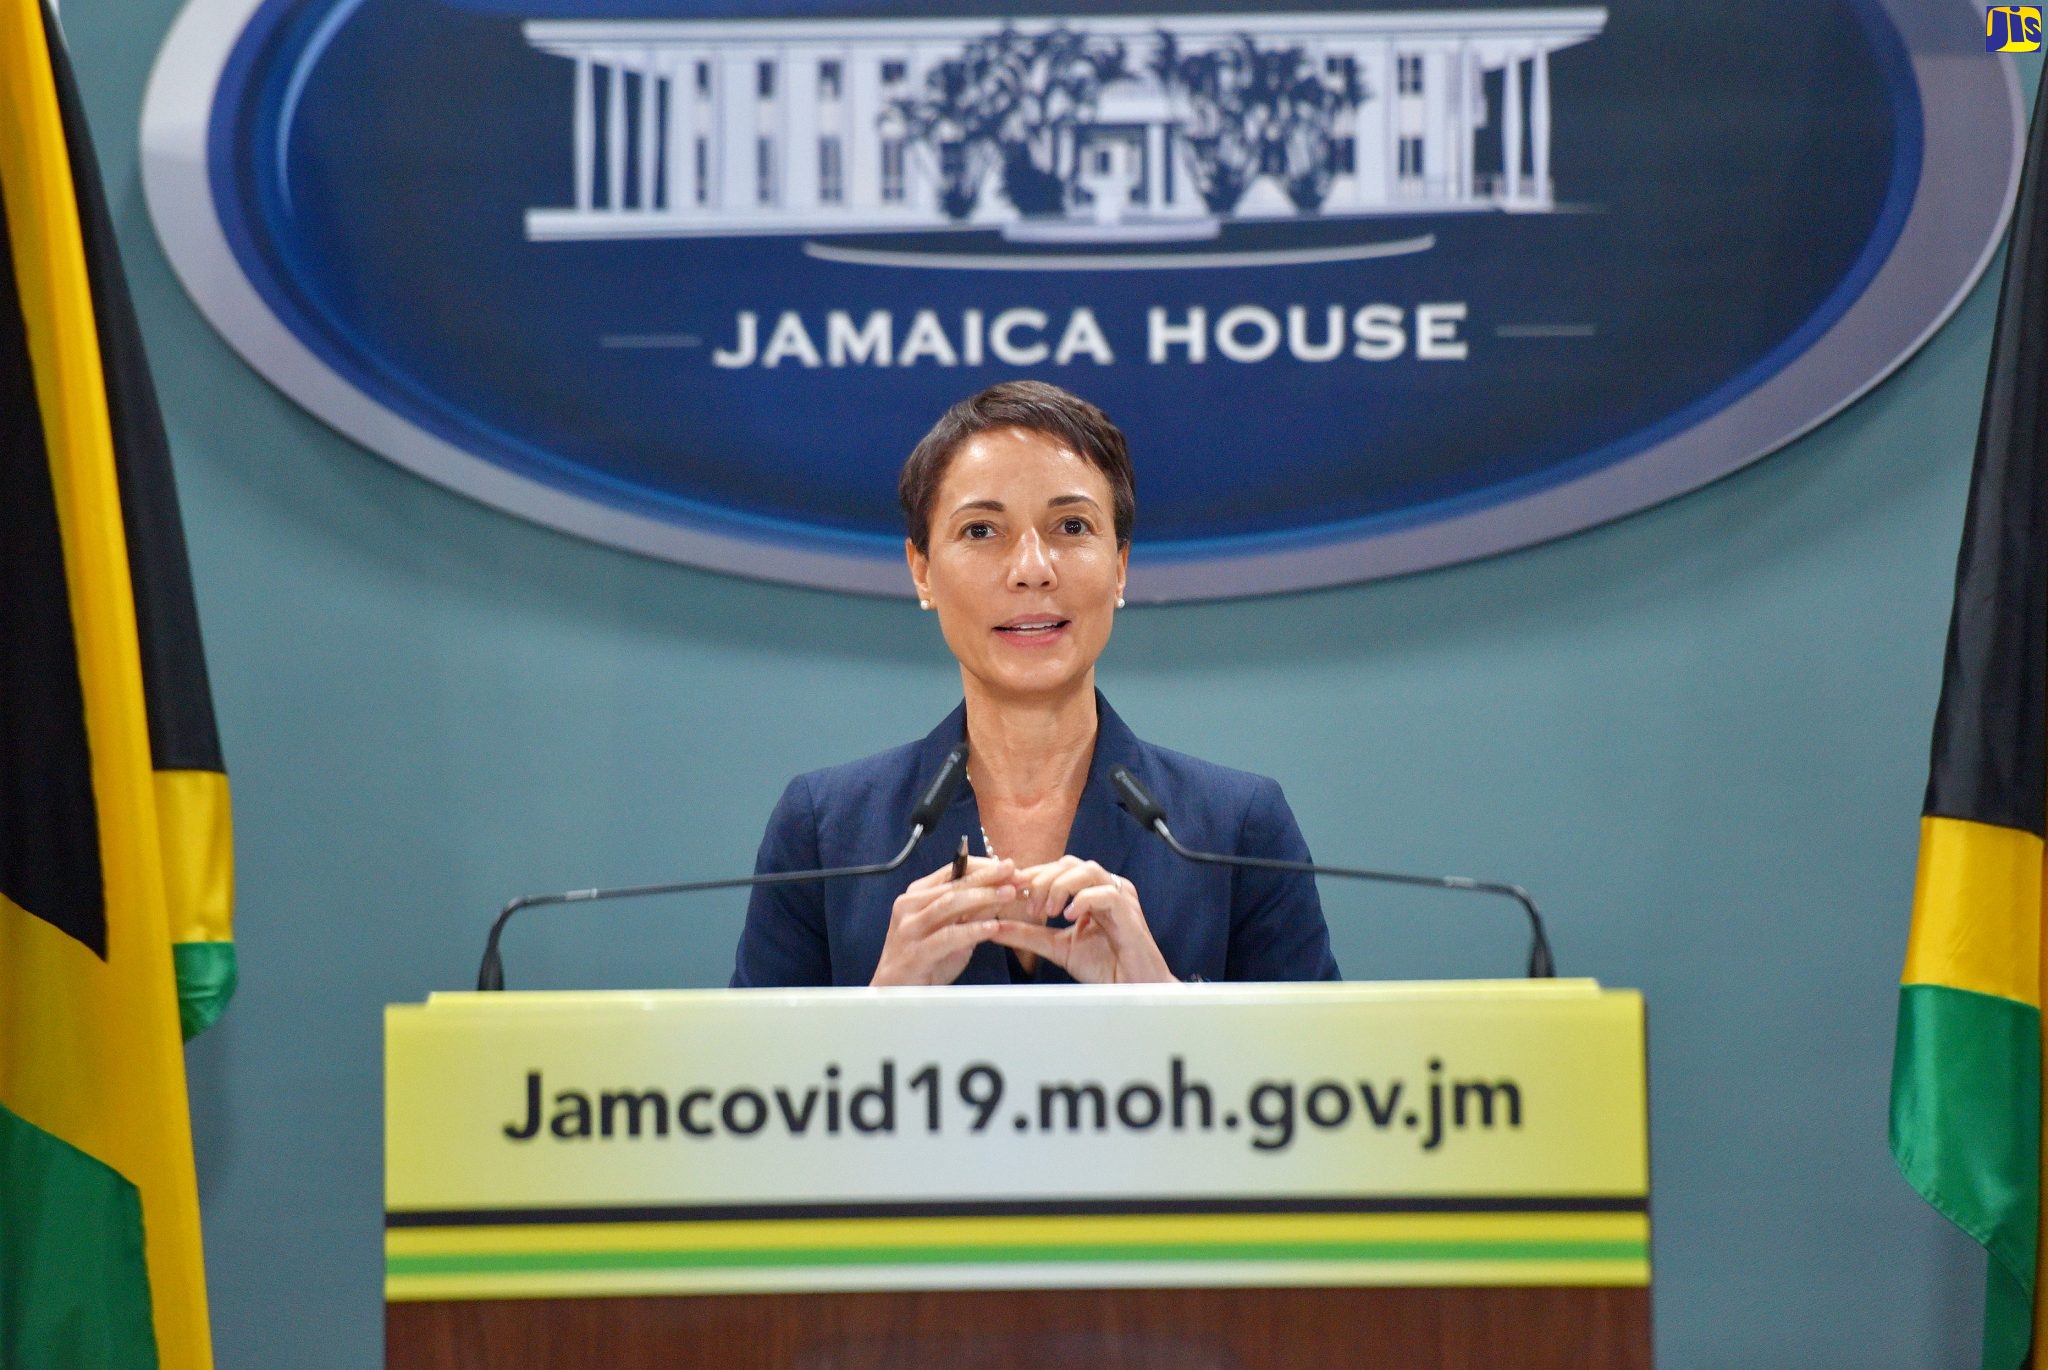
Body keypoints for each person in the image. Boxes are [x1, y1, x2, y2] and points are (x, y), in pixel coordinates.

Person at [731, 381, 1340, 987]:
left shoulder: (1235, 829)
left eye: (1071, 527)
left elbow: (1327, 1079)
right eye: (980, 531)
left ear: (1121, 566)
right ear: (921, 572)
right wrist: (881, 1009)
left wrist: (1166, 1007)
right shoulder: (825, 830)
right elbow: (745, 1082)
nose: (1031, 571)